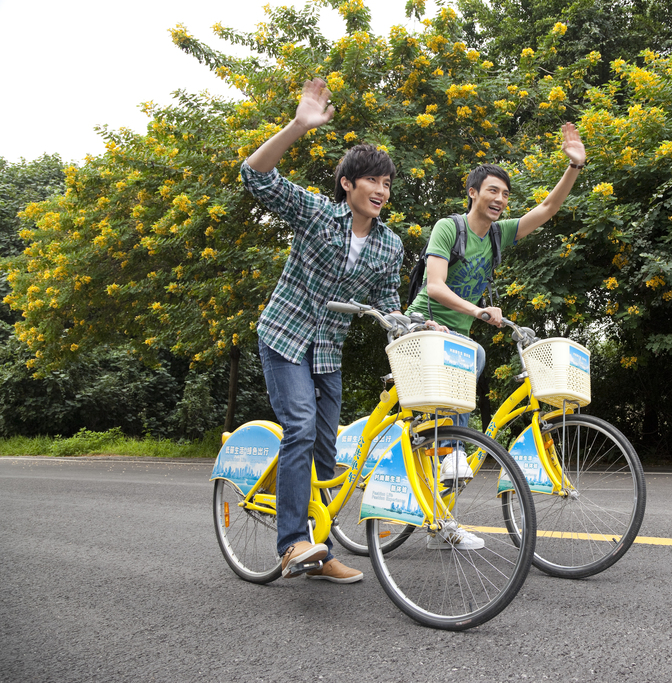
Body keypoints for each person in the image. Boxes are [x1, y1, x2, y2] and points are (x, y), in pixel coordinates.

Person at [241, 78, 404, 583]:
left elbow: (391, 306)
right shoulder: (315, 214)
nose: (381, 190)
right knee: (301, 428)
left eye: (387, 184)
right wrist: (298, 125)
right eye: (372, 181)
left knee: (325, 452)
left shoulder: (389, 246)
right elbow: (255, 176)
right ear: (348, 186)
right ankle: (290, 544)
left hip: (326, 352)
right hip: (285, 337)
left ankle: (320, 549)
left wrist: (410, 336)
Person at [406, 122, 587, 489]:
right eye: (492, 190)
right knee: (473, 357)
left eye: (505, 193)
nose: (500, 198)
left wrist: (574, 167)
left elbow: (548, 208)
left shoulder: (499, 234)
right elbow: (435, 286)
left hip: (455, 334)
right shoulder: (449, 227)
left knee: (467, 362)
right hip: (419, 324)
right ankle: (450, 450)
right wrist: (477, 312)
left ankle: (442, 490)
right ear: (473, 193)